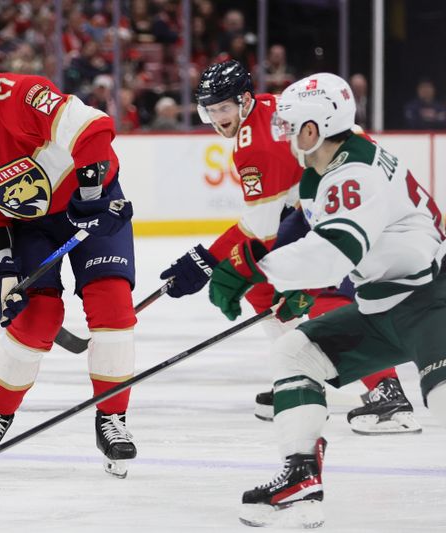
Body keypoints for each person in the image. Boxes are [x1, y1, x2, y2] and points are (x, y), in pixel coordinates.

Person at [207, 72, 446, 528]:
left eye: (288, 125)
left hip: (432, 300)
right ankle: (300, 476)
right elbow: (331, 244)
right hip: (383, 305)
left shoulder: (352, 173)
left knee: (443, 400)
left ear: (312, 130)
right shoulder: (326, 171)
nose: (280, 133)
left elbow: (336, 251)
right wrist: (300, 289)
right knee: (295, 353)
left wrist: (253, 268)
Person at [159, 60, 420, 434]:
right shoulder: (266, 106)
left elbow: (261, 232)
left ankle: (388, 393)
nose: (218, 118)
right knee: (265, 287)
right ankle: (301, 376)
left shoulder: (255, 147)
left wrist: (205, 260)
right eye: (211, 110)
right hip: (348, 189)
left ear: (244, 100)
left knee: (323, 291)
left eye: (224, 108)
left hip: (354, 198)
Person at [0, 28, 138, 477]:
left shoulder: (24, 95)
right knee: (33, 317)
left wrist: (91, 193)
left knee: (112, 307)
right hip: (29, 224)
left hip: (92, 202)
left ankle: (112, 418)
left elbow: (94, 129)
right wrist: (1, 263)